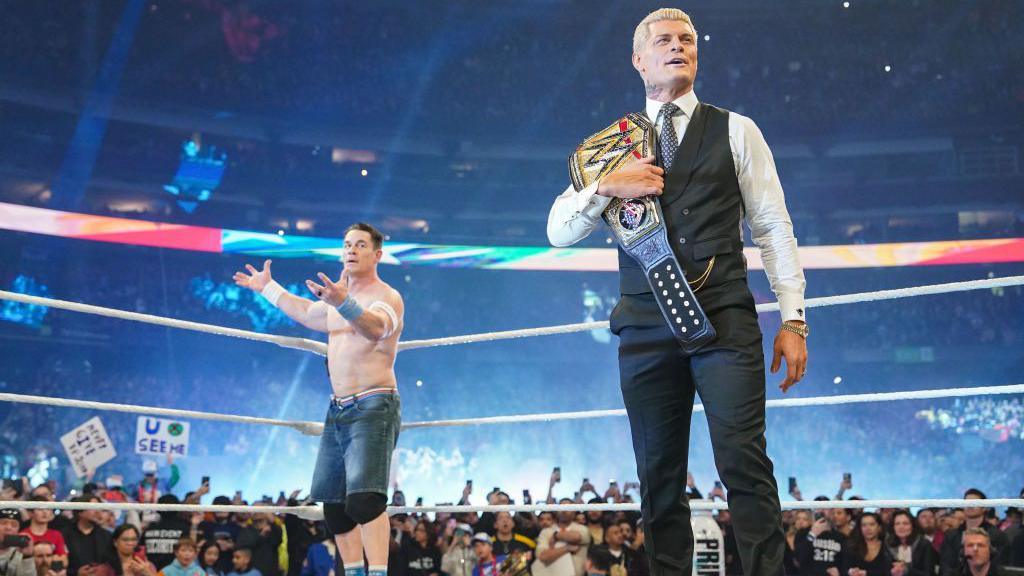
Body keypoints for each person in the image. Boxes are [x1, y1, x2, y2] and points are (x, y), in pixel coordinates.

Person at [546, 8, 807, 576]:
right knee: (658, 476)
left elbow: (773, 227)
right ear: (638, 60)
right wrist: (605, 186)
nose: (678, 46)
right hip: (644, 326)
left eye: (687, 39)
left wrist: (794, 319)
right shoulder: (609, 147)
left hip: (725, 319)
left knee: (745, 463)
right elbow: (557, 232)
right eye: (662, 40)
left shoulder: (738, 129)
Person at [234, 222, 404, 576]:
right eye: (347, 245)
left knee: (366, 500)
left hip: (374, 404)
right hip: (338, 407)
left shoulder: (386, 297)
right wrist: (268, 288)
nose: (351, 250)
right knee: (334, 507)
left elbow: (374, 328)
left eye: (360, 245)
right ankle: (355, 572)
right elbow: (306, 314)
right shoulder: (334, 299)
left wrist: (343, 302)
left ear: (377, 254)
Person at [940, 491, 1011, 576]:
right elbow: (945, 565)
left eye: (975, 502)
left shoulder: (998, 536)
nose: (970, 505)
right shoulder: (951, 536)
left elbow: (1001, 565)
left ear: (984, 508)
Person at [62, 496, 112, 576]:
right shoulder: (65, 535)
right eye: (93, 508)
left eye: (100, 508)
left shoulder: (106, 536)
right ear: (80, 512)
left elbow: (112, 562)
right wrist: (76, 573)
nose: (98, 512)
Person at [885, 510, 937, 576]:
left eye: (905, 523)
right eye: (897, 524)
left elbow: (929, 573)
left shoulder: (924, 544)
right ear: (893, 527)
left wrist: (907, 570)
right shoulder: (888, 545)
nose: (901, 527)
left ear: (912, 526)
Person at [21, 496, 68, 563]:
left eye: (48, 509)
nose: (45, 512)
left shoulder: (57, 535)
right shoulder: (24, 535)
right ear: (31, 513)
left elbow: (65, 561)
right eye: (40, 509)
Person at [0, 508, 37, 576]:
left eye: (14, 525)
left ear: (18, 530)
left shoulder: (20, 553)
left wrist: (27, 557)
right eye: (3, 523)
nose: (8, 527)